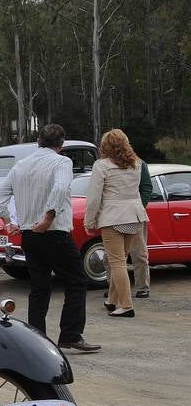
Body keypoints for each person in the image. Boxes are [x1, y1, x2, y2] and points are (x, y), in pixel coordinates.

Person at [0, 124, 100, 353]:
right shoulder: (62, 162)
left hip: (28, 234)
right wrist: (48, 217)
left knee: (39, 287)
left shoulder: (21, 165)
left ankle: (36, 339)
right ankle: (70, 335)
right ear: (61, 144)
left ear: (38, 141)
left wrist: (8, 222)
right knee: (77, 281)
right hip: (54, 232)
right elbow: (60, 189)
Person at [84, 129, 148, 319]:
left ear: (105, 146)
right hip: (135, 216)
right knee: (121, 259)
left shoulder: (101, 165)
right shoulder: (137, 163)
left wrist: (89, 221)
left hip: (112, 218)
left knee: (117, 262)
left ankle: (126, 305)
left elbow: (94, 197)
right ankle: (112, 300)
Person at [131, 159, 154, 299]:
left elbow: (147, 187)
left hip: (135, 214)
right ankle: (113, 286)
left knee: (139, 253)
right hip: (114, 215)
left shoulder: (139, 164)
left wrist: (140, 206)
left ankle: (142, 286)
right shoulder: (106, 164)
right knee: (111, 256)